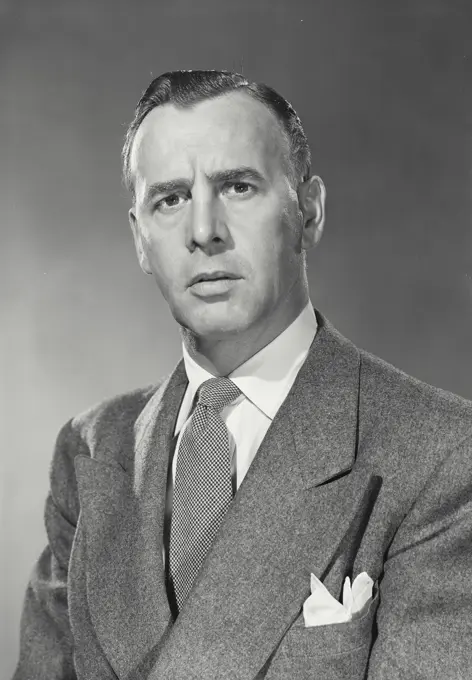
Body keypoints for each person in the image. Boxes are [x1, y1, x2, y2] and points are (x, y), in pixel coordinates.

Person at [13, 69, 472, 680]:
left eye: (236, 187)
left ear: (307, 212)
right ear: (140, 240)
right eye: (170, 199)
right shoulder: (92, 452)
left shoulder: (442, 454)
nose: (204, 231)